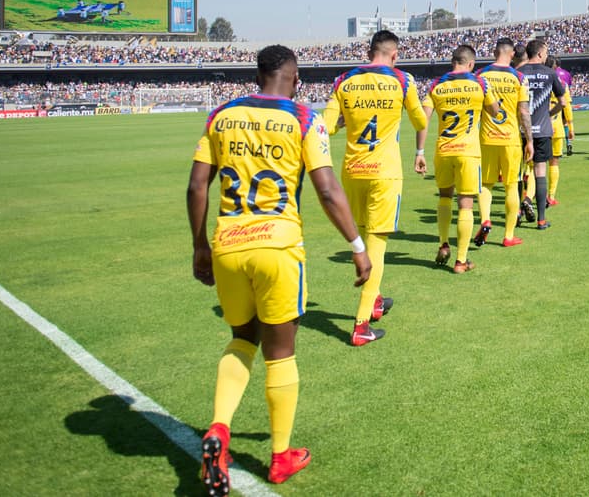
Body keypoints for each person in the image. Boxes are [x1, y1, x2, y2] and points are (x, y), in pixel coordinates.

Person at [187, 45, 372, 493]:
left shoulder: (221, 116)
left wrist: (199, 246)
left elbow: (196, 186)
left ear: (258, 76)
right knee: (281, 353)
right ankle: (280, 456)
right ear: (295, 78)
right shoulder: (304, 119)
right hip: (278, 245)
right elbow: (327, 190)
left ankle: (219, 429)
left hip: (229, 243)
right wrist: (357, 245)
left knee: (241, 339)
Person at [322, 30, 428, 347]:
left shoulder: (344, 81)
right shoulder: (403, 80)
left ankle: (375, 299)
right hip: (384, 173)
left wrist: (344, 122)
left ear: (369, 52)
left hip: (353, 172)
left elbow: (326, 128)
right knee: (377, 245)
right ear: (394, 55)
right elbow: (421, 122)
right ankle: (361, 325)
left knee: (364, 239)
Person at [423, 44, 503, 273]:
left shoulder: (437, 85)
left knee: (444, 197)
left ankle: (443, 243)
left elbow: (423, 118)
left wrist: (419, 151)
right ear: (471, 64)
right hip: (468, 151)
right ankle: (461, 260)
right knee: (465, 204)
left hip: (444, 150)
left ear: (452, 62)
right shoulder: (480, 83)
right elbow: (495, 111)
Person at [476, 38, 534, 248]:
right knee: (511, 185)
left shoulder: (480, 75)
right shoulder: (519, 78)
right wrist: (529, 140)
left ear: (494, 52)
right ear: (512, 54)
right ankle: (508, 236)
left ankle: (485, 220)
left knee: (485, 184)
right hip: (510, 139)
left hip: (486, 138)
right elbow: (524, 112)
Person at [521, 39, 568, 228]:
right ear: (540, 53)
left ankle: (516, 214)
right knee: (540, 172)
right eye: (546, 52)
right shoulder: (550, 73)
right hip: (542, 130)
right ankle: (541, 219)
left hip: (521, 130)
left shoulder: (518, 72)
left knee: (518, 173)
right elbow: (563, 102)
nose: (547, 55)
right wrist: (549, 114)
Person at [546, 56, 575, 205]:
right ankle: (551, 196)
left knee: (532, 163)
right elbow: (567, 107)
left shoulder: (536, 81)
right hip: (556, 127)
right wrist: (571, 127)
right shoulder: (562, 83)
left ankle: (529, 193)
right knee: (554, 162)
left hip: (539, 126)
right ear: (555, 67)